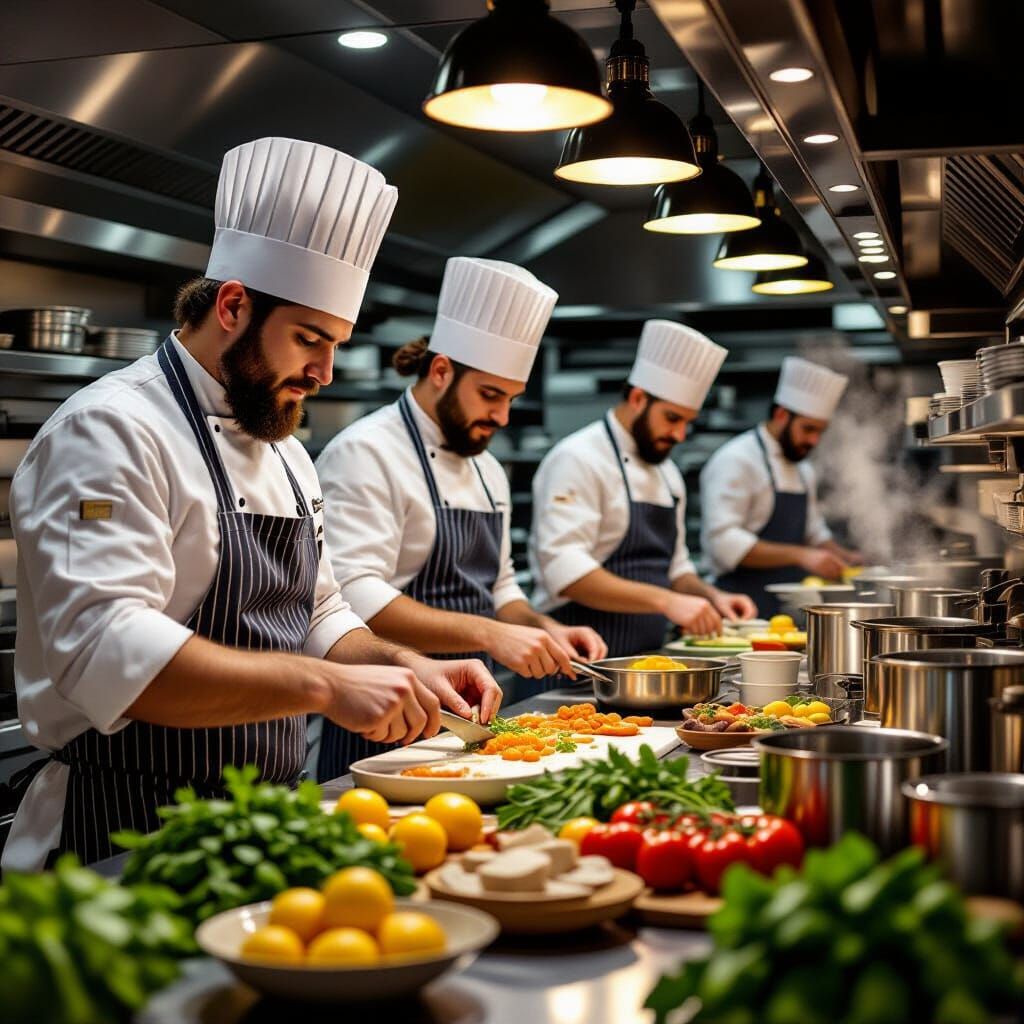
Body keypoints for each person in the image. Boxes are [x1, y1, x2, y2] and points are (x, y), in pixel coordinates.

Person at [4, 138, 499, 871]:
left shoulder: (283, 445)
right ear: (233, 305)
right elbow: (111, 652)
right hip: (125, 826)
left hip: (260, 817)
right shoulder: (110, 429)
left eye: (335, 345)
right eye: (309, 339)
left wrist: (403, 661)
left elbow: (321, 611)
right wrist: (328, 687)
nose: (324, 372)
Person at [315, 257, 606, 776]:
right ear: (442, 370)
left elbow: (501, 588)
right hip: (388, 715)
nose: (502, 417)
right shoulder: (365, 452)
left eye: (511, 399)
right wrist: (491, 635)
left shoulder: (487, 467)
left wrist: (542, 628)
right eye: (490, 395)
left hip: (474, 712)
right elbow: (354, 595)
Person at [528, 320, 755, 658]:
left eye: (687, 423)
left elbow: (676, 568)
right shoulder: (578, 458)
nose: (679, 435)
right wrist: (667, 601)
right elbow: (566, 572)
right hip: (576, 661)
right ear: (637, 398)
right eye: (672, 418)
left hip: (645, 662)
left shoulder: (667, 472)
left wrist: (710, 596)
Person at [700, 355, 861, 616]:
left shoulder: (802, 468)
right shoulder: (736, 460)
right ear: (781, 414)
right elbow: (724, 543)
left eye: (820, 431)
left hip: (789, 610)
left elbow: (814, 532)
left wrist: (847, 558)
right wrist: (802, 556)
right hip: (741, 608)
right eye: (808, 429)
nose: (814, 441)